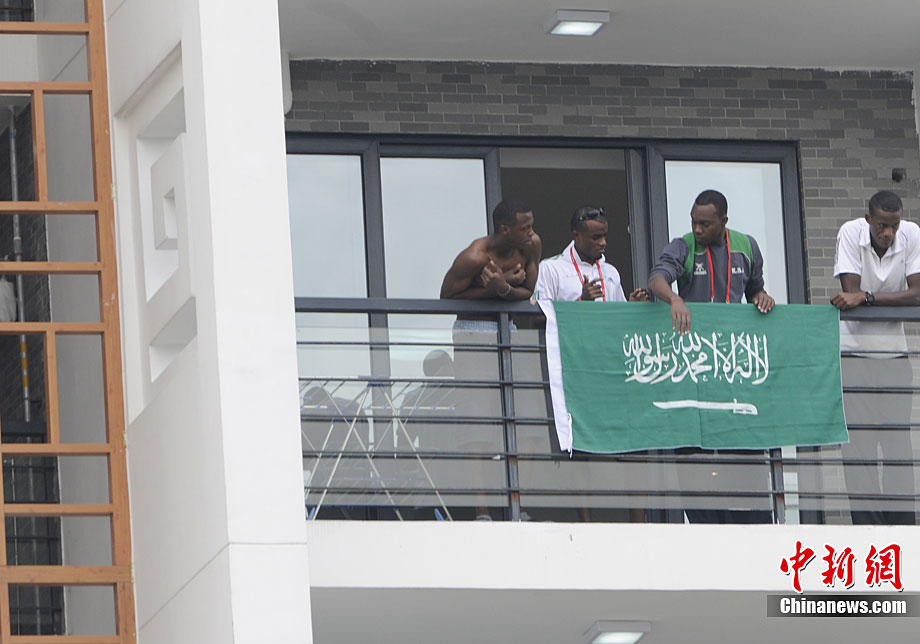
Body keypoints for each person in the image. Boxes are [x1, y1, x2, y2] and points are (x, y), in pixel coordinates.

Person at [648, 189, 776, 524]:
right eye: (694, 221)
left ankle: (751, 526)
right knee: (694, 449)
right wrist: (674, 299)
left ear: (724, 221)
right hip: (692, 368)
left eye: (705, 224)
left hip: (734, 369)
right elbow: (657, 279)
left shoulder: (747, 246)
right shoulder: (684, 245)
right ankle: (703, 526)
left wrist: (762, 298)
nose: (697, 229)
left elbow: (755, 290)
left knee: (741, 448)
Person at [441, 199, 541, 521]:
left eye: (531, 225)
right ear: (505, 230)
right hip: (473, 331)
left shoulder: (531, 246)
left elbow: (528, 293)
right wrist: (496, 289)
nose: (531, 233)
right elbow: (446, 298)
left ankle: (517, 508)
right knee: (478, 427)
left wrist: (503, 287)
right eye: (525, 228)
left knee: (522, 421)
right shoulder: (474, 257)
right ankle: (482, 511)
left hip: (508, 329)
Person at [830, 190, 919, 525]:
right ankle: (868, 530)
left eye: (893, 225)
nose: (888, 232)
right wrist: (865, 297)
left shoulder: (912, 234)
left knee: (898, 448)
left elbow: (917, 294)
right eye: (882, 225)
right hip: (852, 355)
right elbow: (848, 291)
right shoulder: (850, 232)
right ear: (869, 220)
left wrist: (868, 297)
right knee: (859, 449)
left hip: (895, 357)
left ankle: (903, 528)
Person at [535, 206, 648, 303]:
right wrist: (581, 302)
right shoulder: (550, 268)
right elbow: (540, 316)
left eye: (604, 236)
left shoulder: (611, 272)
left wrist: (632, 306)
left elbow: (618, 317)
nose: (603, 242)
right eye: (596, 237)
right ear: (577, 236)